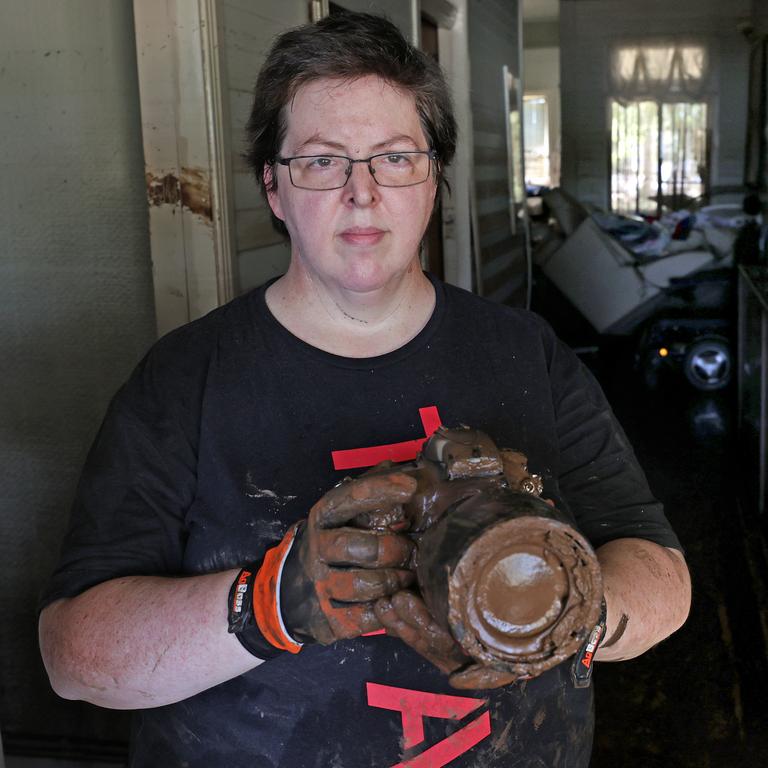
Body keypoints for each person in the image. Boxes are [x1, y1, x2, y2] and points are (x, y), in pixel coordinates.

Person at [38, 11, 691, 767]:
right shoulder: (185, 381)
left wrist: (569, 614)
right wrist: (271, 604)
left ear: (433, 177)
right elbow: (73, 657)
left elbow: (662, 575)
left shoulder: (526, 355)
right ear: (274, 188)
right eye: (322, 161)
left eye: (394, 157)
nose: (363, 192)